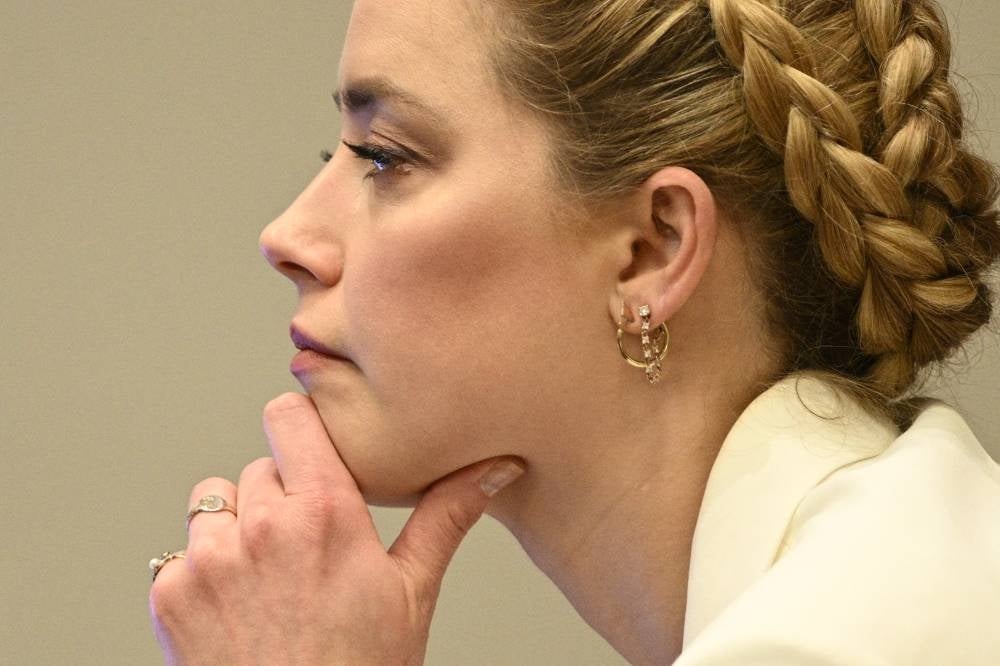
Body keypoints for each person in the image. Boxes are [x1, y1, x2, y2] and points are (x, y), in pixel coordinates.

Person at [147, 0, 1000, 663]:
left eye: (386, 156)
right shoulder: (902, 556)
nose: (286, 237)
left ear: (650, 252)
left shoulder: (830, 643)